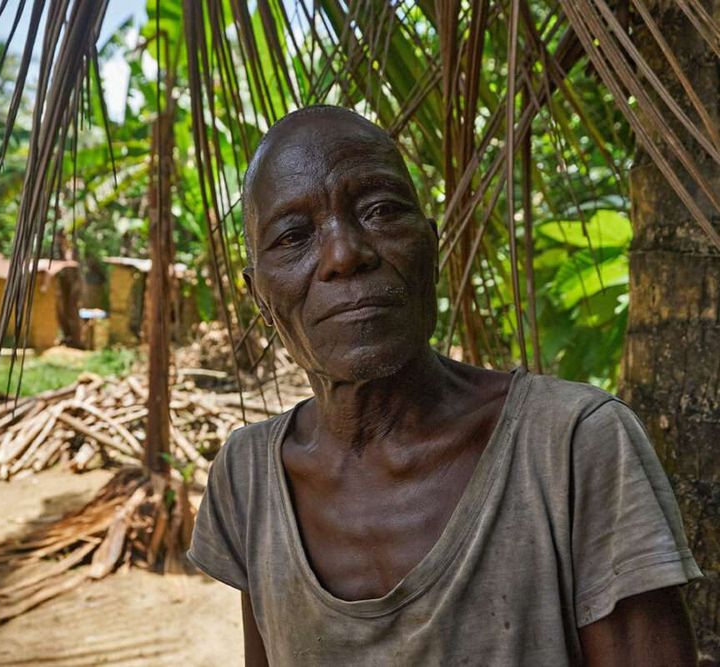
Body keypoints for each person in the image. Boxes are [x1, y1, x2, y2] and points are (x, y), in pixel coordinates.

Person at [187, 105, 702, 666]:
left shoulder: (572, 446)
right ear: (258, 294)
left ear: (432, 249)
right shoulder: (249, 477)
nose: (344, 255)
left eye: (380, 210)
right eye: (293, 237)